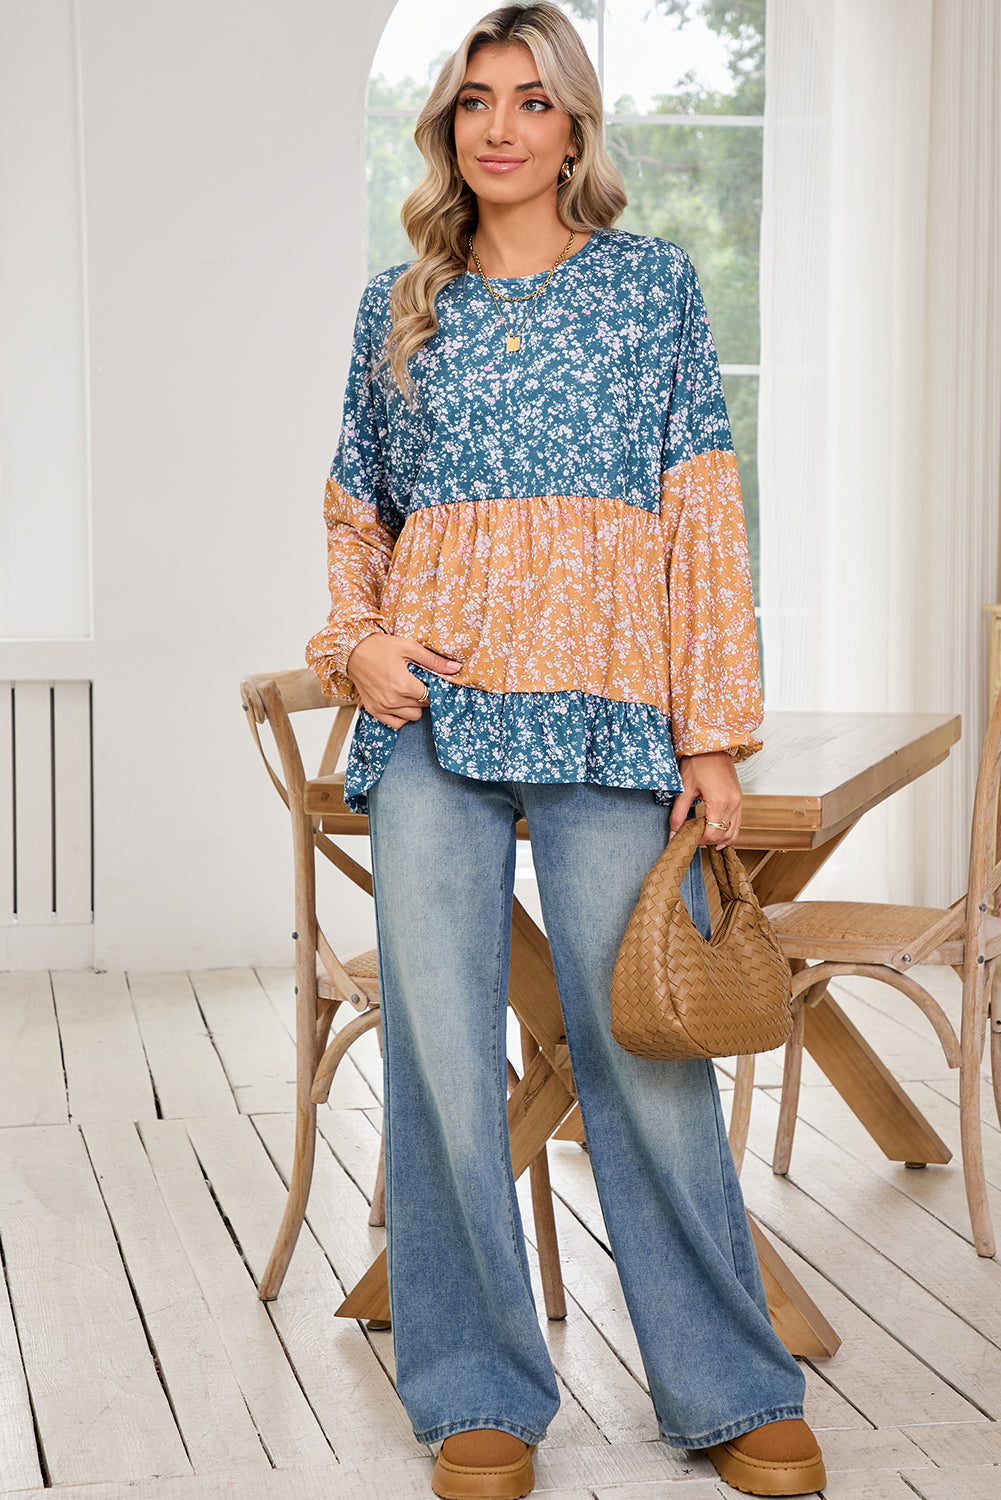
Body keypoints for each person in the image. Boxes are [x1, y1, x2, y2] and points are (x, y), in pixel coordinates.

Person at [306, 6, 825, 1497]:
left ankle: (726, 1382)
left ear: (575, 128)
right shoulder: (395, 305)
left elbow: (701, 511)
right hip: (437, 714)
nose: (501, 127)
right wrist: (361, 647)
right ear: (446, 129)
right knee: (442, 1055)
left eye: (534, 102)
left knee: (637, 1042)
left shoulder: (651, 289)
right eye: (475, 101)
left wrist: (713, 732)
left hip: (611, 708)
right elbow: (357, 516)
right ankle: (475, 1386)